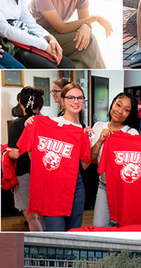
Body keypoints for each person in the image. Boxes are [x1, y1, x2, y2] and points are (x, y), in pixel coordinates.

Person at [17, 83, 92, 231]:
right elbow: (32, 153)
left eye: (79, 98)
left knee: (74, 230)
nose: (76, 101)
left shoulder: (84, 130)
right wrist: (31, 125)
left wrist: (88, 140)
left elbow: (84, 165)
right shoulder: (46, 123)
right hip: (50, 185)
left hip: (75, 185)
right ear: (62, 100)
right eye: (71, 97)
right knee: (55, 230)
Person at [89, 92, 138, 226]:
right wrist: (100, 141)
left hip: (125, 190)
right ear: (112, 104)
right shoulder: (98, 126)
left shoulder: (132, 133)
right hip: (104, 186)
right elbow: (90, 159)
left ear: (130, 114)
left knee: (124, 228)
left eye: (126, 110)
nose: (120, 111)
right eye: (118, 105)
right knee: (98, 227)